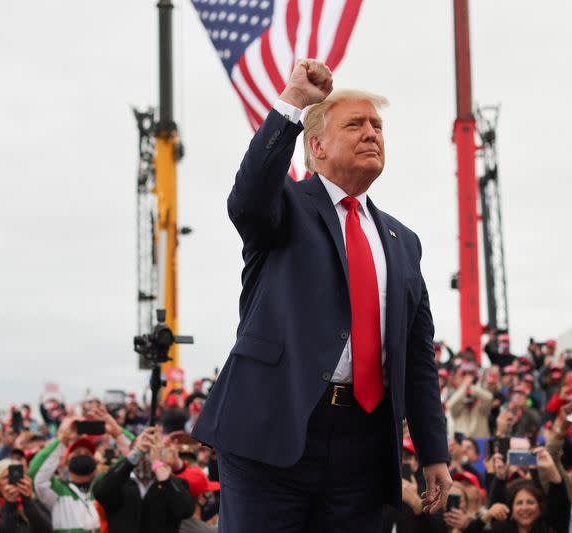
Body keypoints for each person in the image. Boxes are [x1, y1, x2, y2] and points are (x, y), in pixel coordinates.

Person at [191, 58, 451, 532]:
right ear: (317, 146)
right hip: (273, 429)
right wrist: (293, 101)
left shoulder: (403, 241)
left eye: (377, 125)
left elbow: (417, 357)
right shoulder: (285, 205)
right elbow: (247, 197)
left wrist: (434, 451)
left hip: (364, 445)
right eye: (355, 124)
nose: (372, 132)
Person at [93, 426, 195, 533]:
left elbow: (185, 510)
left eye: (151, 452)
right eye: (142, 452)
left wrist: (158, 465)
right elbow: (101, 492)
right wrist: (136, 453)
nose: (146, 456)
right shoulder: (120, 482)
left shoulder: (175, 483)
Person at [0, 458, 52, 533]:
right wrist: (10, 504)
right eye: (6, 477)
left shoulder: (33, 502)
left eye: (18, 476)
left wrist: (27, 500)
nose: (12, 481)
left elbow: (46, 530)